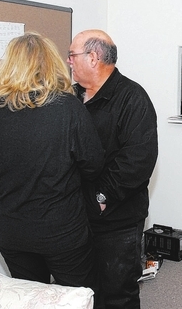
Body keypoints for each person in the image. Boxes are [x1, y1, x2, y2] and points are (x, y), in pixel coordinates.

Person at [0, 32, 105, 294]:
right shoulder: (68, 107)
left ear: (8, 65)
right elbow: (94, 164)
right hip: (61, 230)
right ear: (51, 64)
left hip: (12, 231)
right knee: (77, 297)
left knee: (30, 297)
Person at [68, 29, 158, 309]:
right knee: (83, 291)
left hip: (117, 218)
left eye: (72, 55)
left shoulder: (132, 98)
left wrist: (102, 197)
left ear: (93, 57)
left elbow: (138, 159)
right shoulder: (71, 97)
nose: (68, 61)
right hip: (76, 215)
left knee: (118, 292)